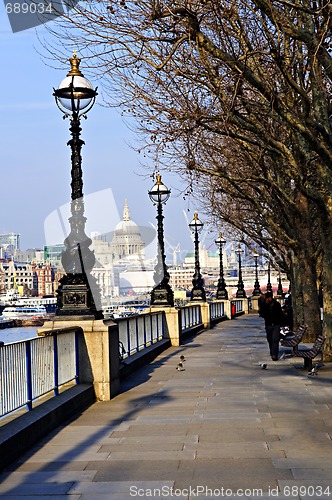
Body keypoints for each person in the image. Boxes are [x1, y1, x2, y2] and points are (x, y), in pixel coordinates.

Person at [260, 291, 285, 360]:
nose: (269, 299)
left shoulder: (276, 304)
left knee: (275, 339)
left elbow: (280, 314)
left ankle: (275, 354)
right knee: (270, 339)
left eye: (270, 297)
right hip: (268, 324)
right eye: (268, 298)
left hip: (276, 324)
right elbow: (261, 313)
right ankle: (272, 351)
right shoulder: (264, 305)